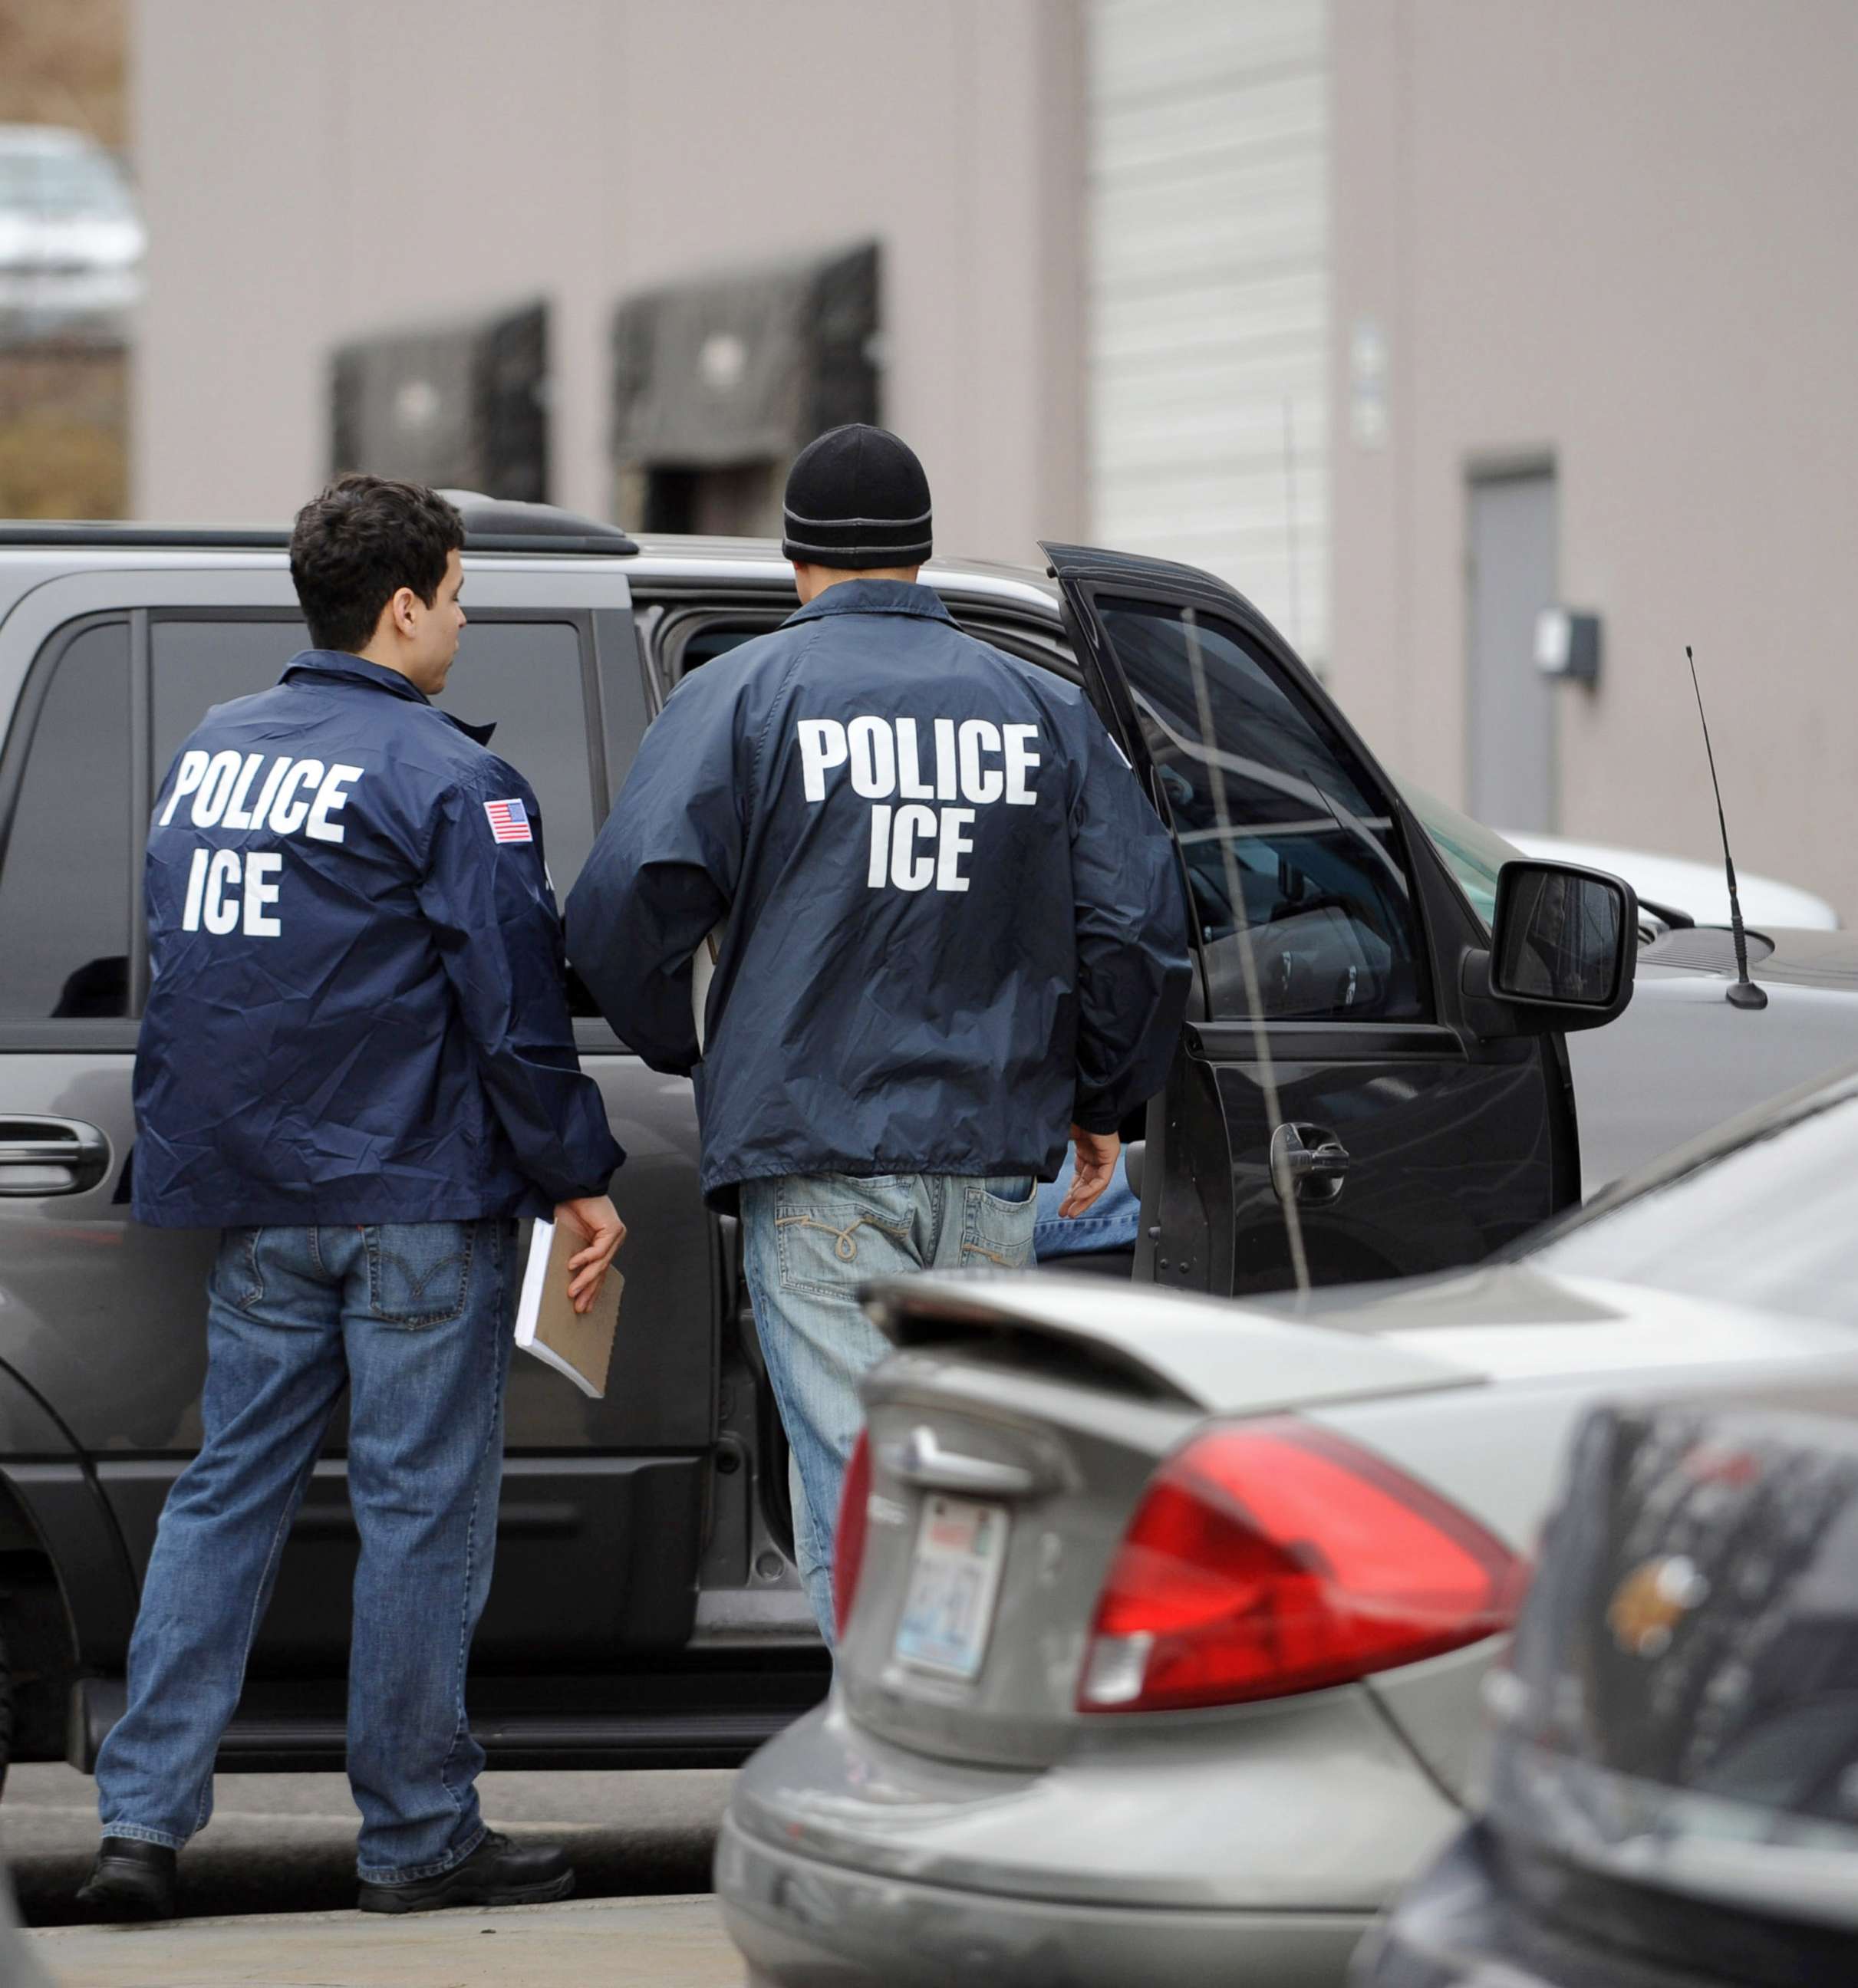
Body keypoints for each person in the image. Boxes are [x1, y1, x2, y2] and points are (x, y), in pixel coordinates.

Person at [76, 476, 626, 1922]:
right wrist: (577, 1176)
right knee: (419, 1512)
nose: (461, 624)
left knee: (223, 1501)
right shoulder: (455, 780)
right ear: (403, 604)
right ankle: (417, 1835)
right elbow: (515, 1014)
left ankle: (139, 1827)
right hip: (416, 1203)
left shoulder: (210, 755)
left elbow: (190, 975)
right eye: (456, 599)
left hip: (260, 1203)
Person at [565, 424, 1190, 1640]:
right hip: (991, 1158)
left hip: (816, 1155)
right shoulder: (1040, 704)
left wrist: (687, 1043)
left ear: (795, 558)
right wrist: (1103, 1096)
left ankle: (889, 1781)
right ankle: (950, 1750)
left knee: (859, 1490)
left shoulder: (740, 693)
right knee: (958, 1483)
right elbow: (1136, 925)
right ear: (921, 555)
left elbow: (623, 904)